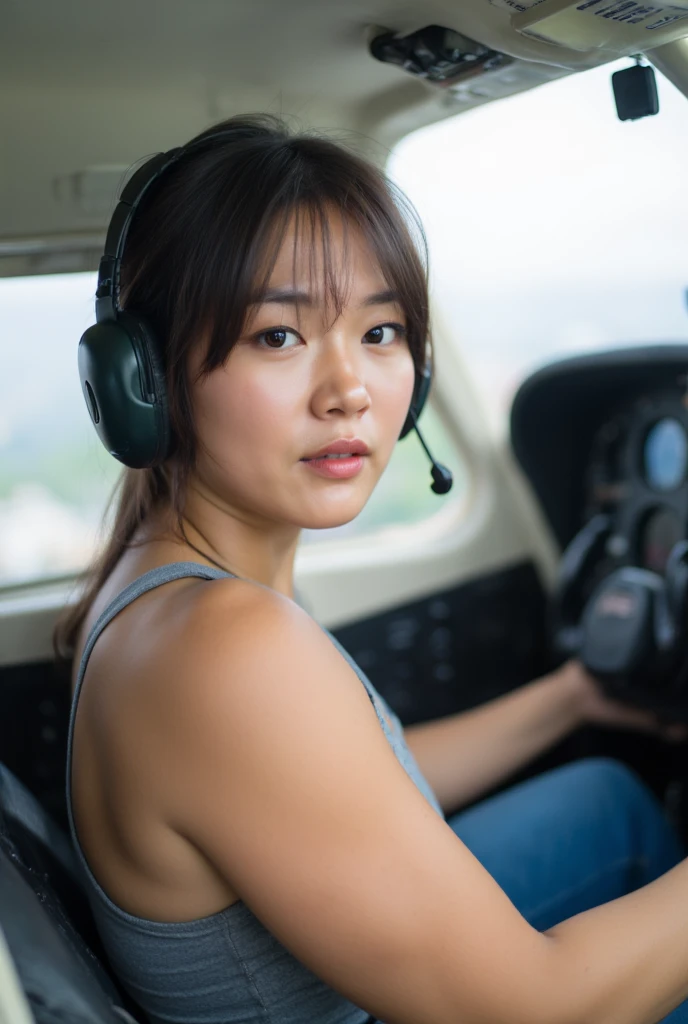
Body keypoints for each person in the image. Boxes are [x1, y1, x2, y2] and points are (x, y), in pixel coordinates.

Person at [55, 113, 688, 1024]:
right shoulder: (224, 651)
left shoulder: (169, 581)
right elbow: (540, 1010)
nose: (349, 389)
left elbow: (347, 783)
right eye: (280, 336)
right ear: (146, 382)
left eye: (382, 331)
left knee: (609, 802)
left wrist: (572, 698)